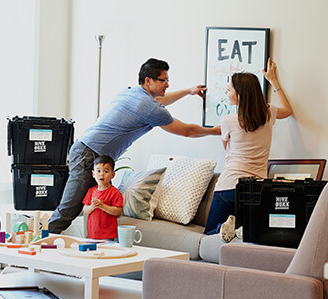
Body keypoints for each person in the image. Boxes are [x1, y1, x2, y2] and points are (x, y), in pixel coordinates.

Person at [49, 58, 221, 233]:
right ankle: (40, 244)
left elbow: (160, 100)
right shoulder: (150, 107)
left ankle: (44, 239)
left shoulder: (131, 92)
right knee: (69, 208)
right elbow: (187, 131)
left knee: (70, 206)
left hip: (84, 149)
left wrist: (188, 91)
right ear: (148, 81)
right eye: (164, 80)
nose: (167, 85)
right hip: (90, 155)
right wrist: (216, 130)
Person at [203, 58, 293, 242]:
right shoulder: (268, 113)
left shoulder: (228, 120)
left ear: (240, 94)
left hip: (228, 186)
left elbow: (226, 149)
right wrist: (274, 81)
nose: (226, 92)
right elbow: (288, 110)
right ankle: (238, 229)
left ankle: (226, 228)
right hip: (256, 188)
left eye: (229, 89)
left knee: (208, 234)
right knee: (249, 234)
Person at [82, 155, 123, 240]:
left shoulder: (115, 193)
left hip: (108, 235)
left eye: (106, 171)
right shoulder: (91, 191)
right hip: (92, 233)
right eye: (99, 171)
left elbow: (118, 211)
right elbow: (85, 210)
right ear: (93, 174)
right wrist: (92, 206)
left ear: (112, 175)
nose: (102, 174)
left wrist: (102, 206)